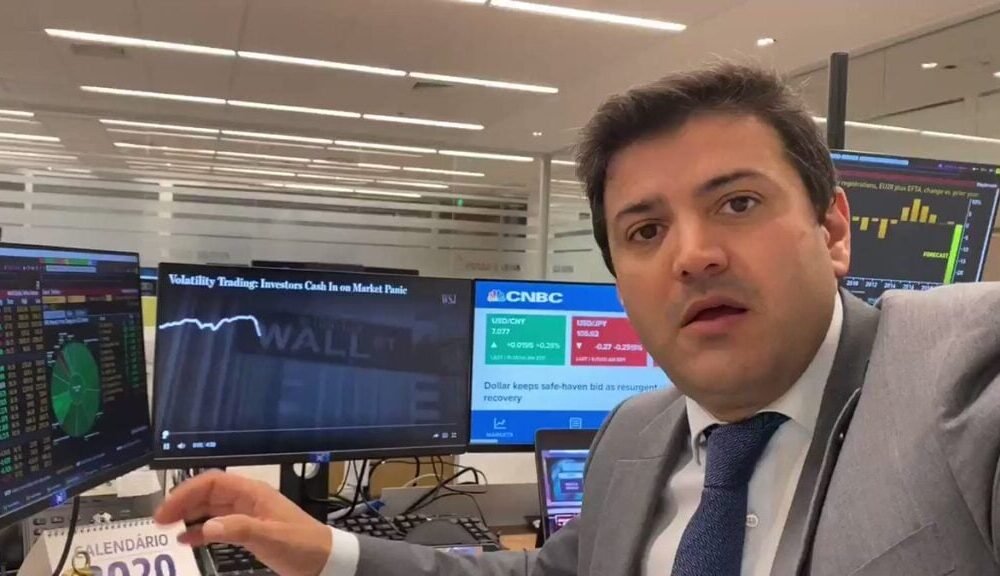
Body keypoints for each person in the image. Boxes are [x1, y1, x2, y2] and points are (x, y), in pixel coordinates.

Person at [155, 62, 1000, 576]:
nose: (692, 255)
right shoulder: (635, 434)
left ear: (833, 229)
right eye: (645, 231)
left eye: (738, 203)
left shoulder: (961, 376)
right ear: (621, 282)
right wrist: (326, 551)